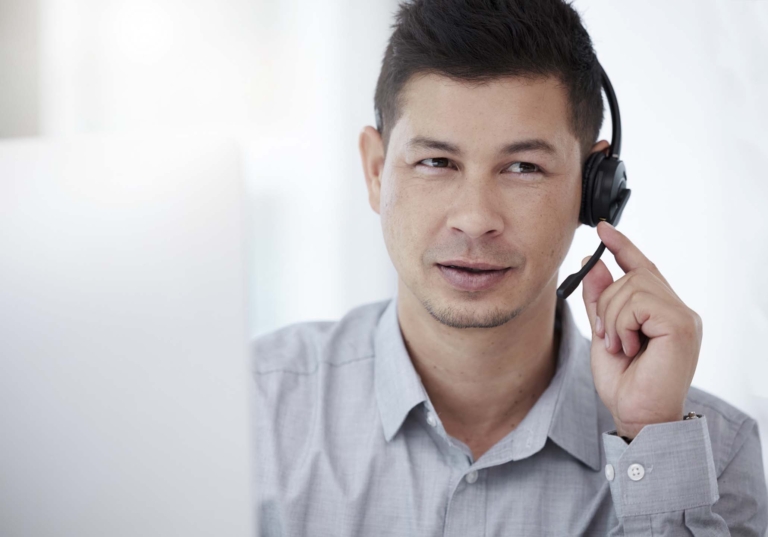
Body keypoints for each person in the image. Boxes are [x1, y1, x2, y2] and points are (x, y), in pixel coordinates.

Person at [251, 0, 768, 534]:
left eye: (524, 167)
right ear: (377, 171)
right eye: (436, 162)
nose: (475, 220)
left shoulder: (711, 454)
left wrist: (650, 443)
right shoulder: (251, 410)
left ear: (594, 193)